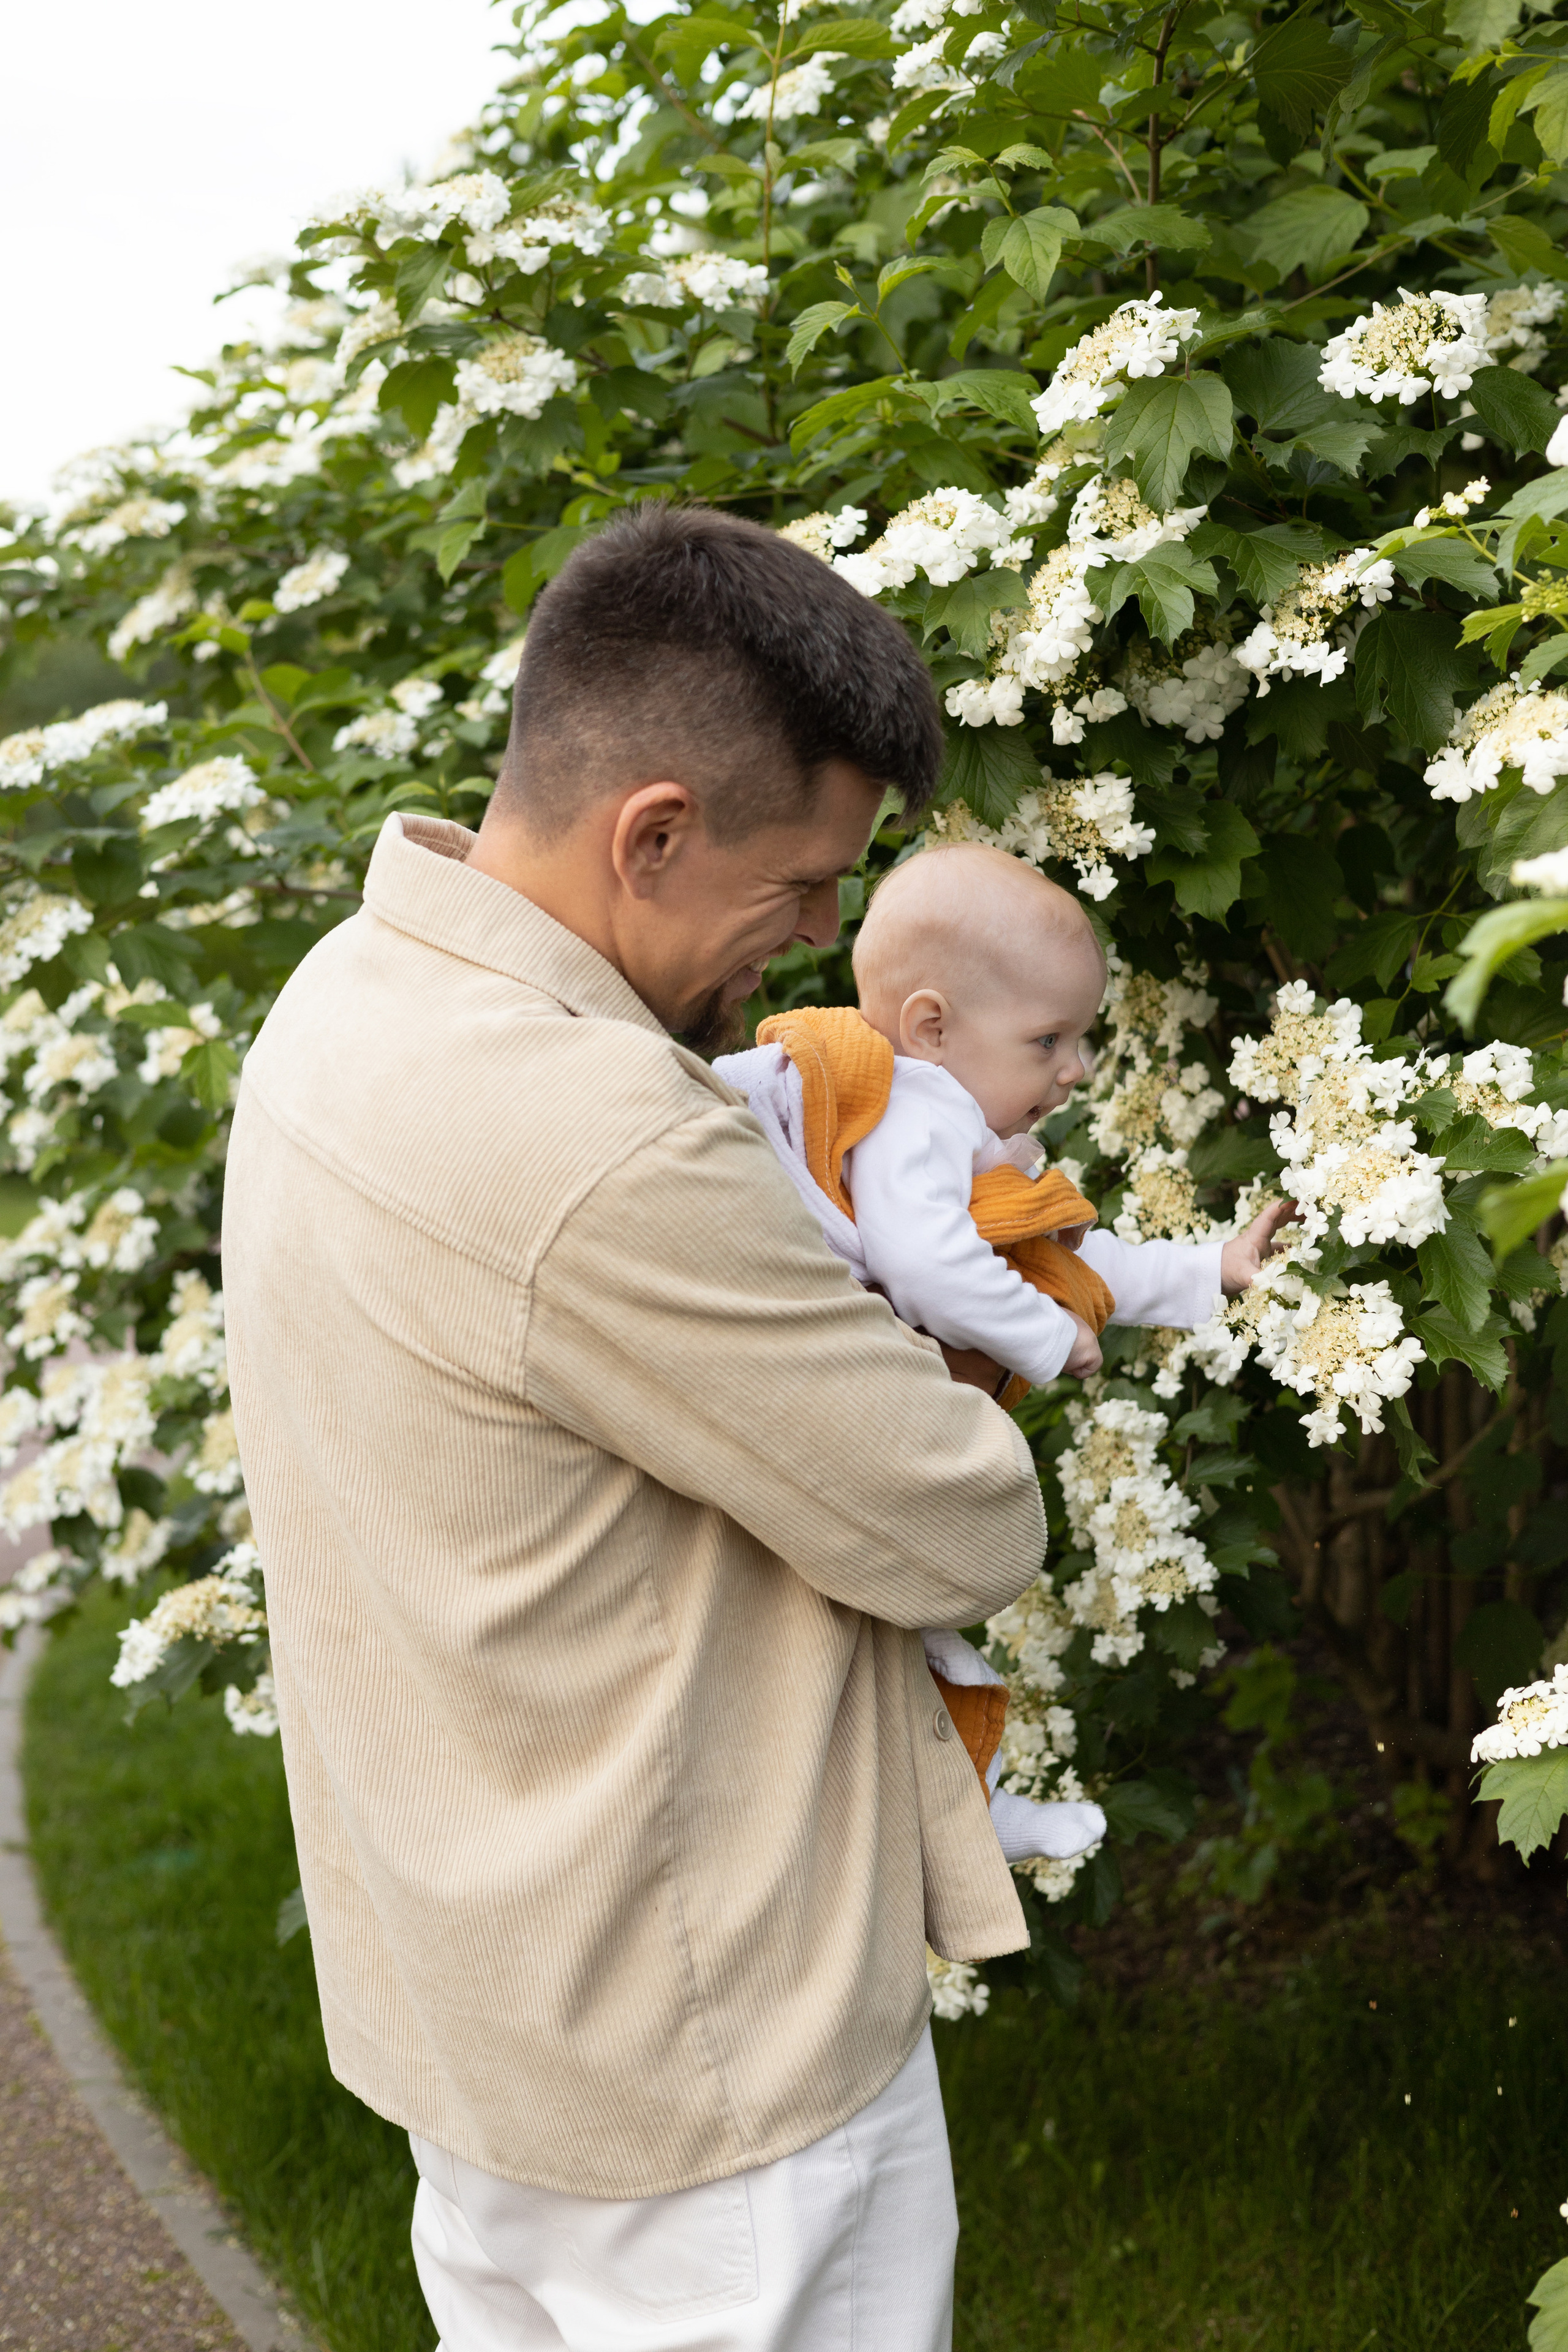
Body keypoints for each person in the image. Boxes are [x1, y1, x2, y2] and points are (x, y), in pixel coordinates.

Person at [221, 502, 1050, 2352]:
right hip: (709, 2075)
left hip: (491, 2011)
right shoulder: (601, 1133)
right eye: (806, 885)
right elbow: (963, 1519)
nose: (823, 948)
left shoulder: (341, 1003)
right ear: (654, 831)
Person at [713, 843, 1295, 1870]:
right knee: (914, 1622)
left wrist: (1212, 1271)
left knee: (912, 1638)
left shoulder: (952, 1123)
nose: (1073, 1068)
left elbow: (1061, 1253)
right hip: (831, 1391)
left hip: (835, 1391)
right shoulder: (916, 1108)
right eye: (1047, 1039)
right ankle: (970, 1810)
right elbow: (928, 1263)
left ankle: (971, 1805)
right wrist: (1045, 1337)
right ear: (932, 1026)